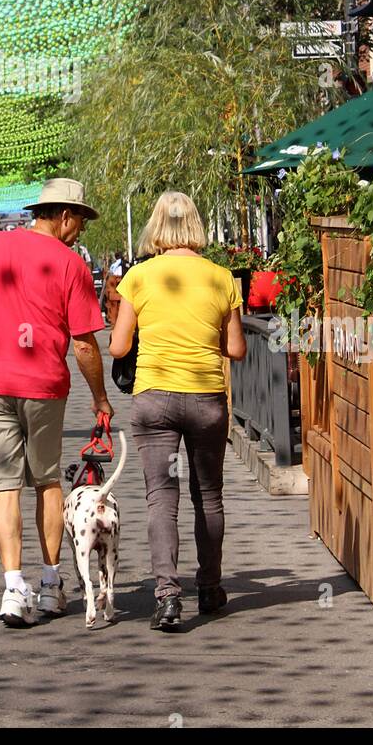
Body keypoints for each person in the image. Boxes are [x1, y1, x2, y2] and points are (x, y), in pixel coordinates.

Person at [0, 178, 112, 629]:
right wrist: (100, 397)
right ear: (62, 216)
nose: (80, 230)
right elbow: (83, 344)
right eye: (79, 220)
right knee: (47, 480)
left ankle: (14, 588)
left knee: (3, 486)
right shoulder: (70, 264)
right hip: (44, 387)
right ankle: (52, 582)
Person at [109, 192, 246, 633]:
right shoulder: (222, 277)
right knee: (208, 495)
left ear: (156, 227)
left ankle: (167, 597)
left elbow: (118, 346)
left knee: (160, 498)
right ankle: (209, 588)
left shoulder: (139, 277)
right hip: (206, 399)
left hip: (154, 400)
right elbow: (237, 349)